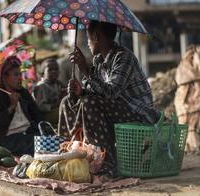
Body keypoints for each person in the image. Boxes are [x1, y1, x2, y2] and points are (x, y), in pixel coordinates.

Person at [58, 21, 160, 177]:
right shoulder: (99, 61)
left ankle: (105, 164)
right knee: (67, 101)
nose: (88, 43)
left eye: (88, 38)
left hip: (139, 115)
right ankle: (68, 153)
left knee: (89, 102)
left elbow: (111, 93)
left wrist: (85, 70)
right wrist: (80, 91)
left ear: (96, 37)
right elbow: (95, 91)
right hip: (117, 110)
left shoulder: (124, 57)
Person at [0, 56, 42, 156]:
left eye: (20, 74)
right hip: (4, 139)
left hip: (26, 135)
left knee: (46, 141)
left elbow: (37, 115)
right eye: (16, 75)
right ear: (5, 78)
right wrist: (11, 107)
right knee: (32, 146)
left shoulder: (23, 93)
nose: (20, 78)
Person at [32, 58, 65, 125]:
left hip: (56, 111)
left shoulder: (58, 84)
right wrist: (56, 104)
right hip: (46, 116)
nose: (54, 71)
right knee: (64, 111)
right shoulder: (41, 87)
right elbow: (40, 107)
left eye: (56, 69)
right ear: (43, 72)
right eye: (50, 70)